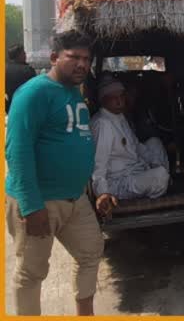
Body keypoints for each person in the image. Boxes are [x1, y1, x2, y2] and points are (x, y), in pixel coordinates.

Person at [5, 30, 117, 316]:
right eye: (74, 57)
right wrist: (31, 206)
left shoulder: (73, 93)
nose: (82, 64)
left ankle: (85, 313)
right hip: (41, 200)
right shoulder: (34, 93)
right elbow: (17, 152)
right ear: (55, 58)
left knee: (91, 252)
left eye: (87, 59)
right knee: (32, 273)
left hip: (74, 199)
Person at [91, 74, 170, 200]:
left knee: (154, 142)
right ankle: (157, 187)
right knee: (160, 176)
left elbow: (136, 145)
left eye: (121, 96)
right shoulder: (103, 124)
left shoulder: (119, 116)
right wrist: (102, 194)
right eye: (113, 97)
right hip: (118, 183)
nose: (119, 101)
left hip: (135, 170)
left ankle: (161, 181)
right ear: (103, 100)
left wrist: (155, 163)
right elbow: (98, 165)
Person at [6, 44, 36, 113]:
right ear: (19, 55)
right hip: (26, 106)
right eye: (24, 53)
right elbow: (35, 90)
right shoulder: (28, 70)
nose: (25, 55)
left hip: (10, 107)